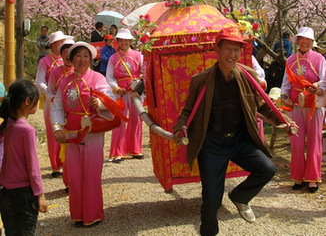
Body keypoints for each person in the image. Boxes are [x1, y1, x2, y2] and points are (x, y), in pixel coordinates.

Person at [173, 26, 294, 236]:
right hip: (211, 144)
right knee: (212, 199)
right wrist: (179, 127)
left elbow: (263, 104)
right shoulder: (201, 80)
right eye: (228, 49)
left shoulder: (248, 75)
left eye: (236, 50)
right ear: (217, 50)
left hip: (239, 140)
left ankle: (240, 196)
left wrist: (284, 120)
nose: (232, 54)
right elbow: (187, 111)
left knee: (267, 168)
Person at [51, 42, 115, 227]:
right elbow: (57, 106)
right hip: (71, 133)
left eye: (86, 56)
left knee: (92, 173)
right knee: (75, 175)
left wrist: (100, 103)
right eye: (78, 55)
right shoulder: (64, 81)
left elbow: (109, 99)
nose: (82, 59)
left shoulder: (97, 78)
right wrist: (57, 127)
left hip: (92, 132)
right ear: (71, 59)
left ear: (91, 59)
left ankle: (93, 213)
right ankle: (78, 214)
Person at [280, 26, 326, 193]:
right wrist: (284, 95)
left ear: (312, 42)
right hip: (296, 105)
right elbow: (286, 83)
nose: (305, 42)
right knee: (296, 141)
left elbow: (324, 80)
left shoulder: (320, 58)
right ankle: (298, 176)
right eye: (302, 39)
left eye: (308, 39)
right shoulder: (291, 59)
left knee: (314, 141)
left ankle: (313, 178)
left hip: (314, 104)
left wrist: (317, 87)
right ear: (297, 41)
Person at [0, 79, 48, 235]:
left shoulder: (7, 125)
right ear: (28, 102)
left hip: (6, 193)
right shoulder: (27, 130)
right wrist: (40, 195)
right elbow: (33, 167)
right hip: (23, 194)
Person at [35, 30, 73, 177]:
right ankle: (55, 166)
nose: (62, 44)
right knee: (53, 133)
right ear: (52, 45)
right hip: (51, 101)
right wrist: (50, 95)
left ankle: (67, 163)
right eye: (59, 42)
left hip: (69, 101)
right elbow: (39, 81)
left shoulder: (70, 60)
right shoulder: (45, 61)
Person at [106, 28, 143, 163]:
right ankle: (118, 151)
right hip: (120, 93)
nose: (124, 43)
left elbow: (143, 72)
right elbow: (109, 76)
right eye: (121, 40)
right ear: (118, 42)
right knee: (119, 120)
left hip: (134, 92)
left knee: (136, 119)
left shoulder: (139, 55)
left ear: (130, 41)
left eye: (126, 40)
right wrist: (115, 87)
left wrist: (138, 86)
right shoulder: (113, 58)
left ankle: (135, 149)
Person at [46, 38, 75, 190]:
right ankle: (68, 181)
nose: (68, 56)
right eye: (65, 53)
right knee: (64, 148)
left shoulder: (80, 71)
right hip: (60, 113)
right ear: (61, 55)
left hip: (75, 114)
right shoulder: (56, 72)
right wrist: (53, 99)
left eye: (71, 53)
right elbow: (50, 89)